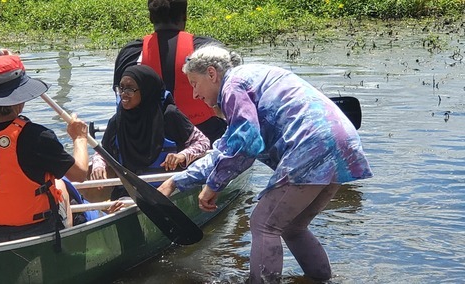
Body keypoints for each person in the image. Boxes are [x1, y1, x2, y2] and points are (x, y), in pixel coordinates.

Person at [157, 45, 373, 283]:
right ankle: (320, 279)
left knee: (263, 224)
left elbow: (247, 142)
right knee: (292, 226)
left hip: (312, 144)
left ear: (211, 73)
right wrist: (176, 180)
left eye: (194, 83)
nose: (195, 95)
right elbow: (225, 150)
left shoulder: (232, 86)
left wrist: (214, 185)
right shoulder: (251, 80)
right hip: (340, 143)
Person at [0, 55, 89, 249]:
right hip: (35, 233)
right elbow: (80, 174)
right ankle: (65, 249)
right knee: (61, 184)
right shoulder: (38, 136)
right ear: (19, 98)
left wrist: (6, 69)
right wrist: (79, 138)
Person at [113, 0, 227, 145]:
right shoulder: (207, 48)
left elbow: (121, 100)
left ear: (150, 17)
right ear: (185, 15)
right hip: (208, 136)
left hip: (147, 142)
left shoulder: (130, 52)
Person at [91, 64, 210, 201]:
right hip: (129, 192)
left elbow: (203, 142)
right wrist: (98, 165)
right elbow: (102, 152)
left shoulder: (170, 116)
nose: (123, 94)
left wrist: (182, 156)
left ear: (146, 90)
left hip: (167, 189)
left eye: (130, 89)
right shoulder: (117, 120)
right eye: (121, 88)